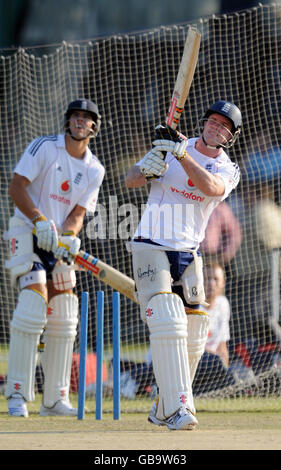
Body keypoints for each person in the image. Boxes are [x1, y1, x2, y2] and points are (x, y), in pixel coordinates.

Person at [125, 100, 242, 430]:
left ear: (231, 136)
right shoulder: (173, 145)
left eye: (224, 126)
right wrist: (148, 165)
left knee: (196, 329)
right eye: (213, 121)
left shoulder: (227, 168)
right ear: (203, 122)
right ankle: (179, 408)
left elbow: (210, 188)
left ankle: (163, 404)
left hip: (188, 252)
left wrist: (179, 154)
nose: (216, 128)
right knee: (167, 319)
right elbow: (131, 180)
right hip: (151, 242)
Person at [4, 98, 105, 417]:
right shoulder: (44, 147)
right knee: (34, 304)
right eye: (75, 116)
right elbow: (16, 187)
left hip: (57, 243)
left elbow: (78, 212)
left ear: (94, 127)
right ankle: (17, 393)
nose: (79, 121)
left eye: (86, 118)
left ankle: (54, 399)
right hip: (26, 230)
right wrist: (38, 220)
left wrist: (70, 237)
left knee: (64, 314)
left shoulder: (95, 169)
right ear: (67, 121)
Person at [192, 262, 236, 394]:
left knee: (228, 379)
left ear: (223, 282)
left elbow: (222, 345)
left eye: (215, 279)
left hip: (212, 364)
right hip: (194, 359)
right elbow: (190, 346)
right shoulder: (193, 305)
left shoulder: (223, 304)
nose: (211, 284)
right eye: (206, 279)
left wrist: (225, 368)